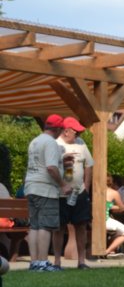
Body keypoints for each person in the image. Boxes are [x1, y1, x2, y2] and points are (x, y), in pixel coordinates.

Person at [23, 114, 71, 272]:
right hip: (45, 189)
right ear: (57, 129)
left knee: (35, 226)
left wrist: (61, 161)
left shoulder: (35, 141)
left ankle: (35, 262)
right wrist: (63, 185)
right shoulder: (51, 143)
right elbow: (51, 168)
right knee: (45, 226)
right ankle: (43, 262)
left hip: (31, 186)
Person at [52, 117, 93, 270]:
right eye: (76, 132)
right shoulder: (55, 145)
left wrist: (86, 187)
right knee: (59, 227)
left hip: (79, 192)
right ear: (66, 131)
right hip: (60, 194)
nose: (79, 135)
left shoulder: (81, 143)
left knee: (81, 226)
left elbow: (88, 165)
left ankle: (81, 261)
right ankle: (57, 261)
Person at [104, 181, 124, 258]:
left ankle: (112, 250)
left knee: (115, 232)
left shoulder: (94, 191)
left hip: (92, 221)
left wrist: (112, 206)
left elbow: (107, 205)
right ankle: (107, 251)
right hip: (105, 220)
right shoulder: (116, 192)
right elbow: (123, 207)